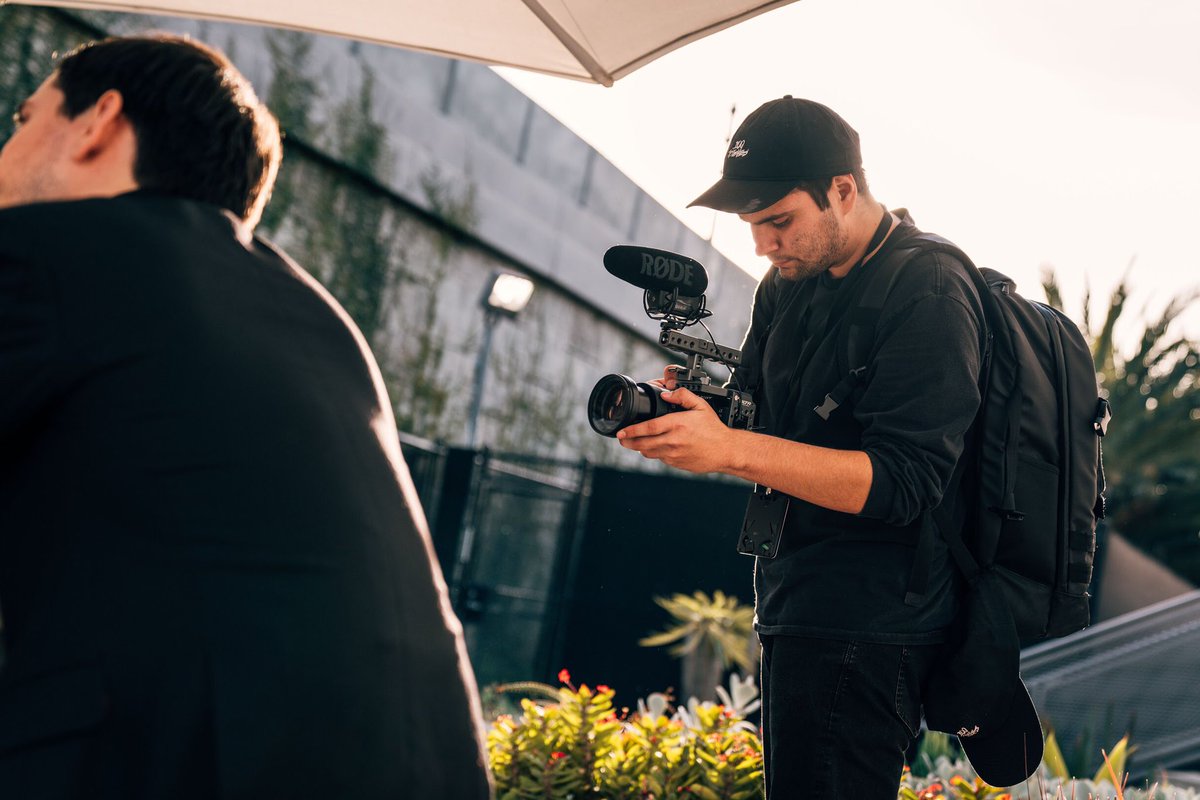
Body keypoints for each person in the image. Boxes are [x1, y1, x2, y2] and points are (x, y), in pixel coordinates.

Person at [0, 35, 491, 799]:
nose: (8, 146)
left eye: (23, 117)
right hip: (428, 760)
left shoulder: (42, 254)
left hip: (182, 759)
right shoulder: (317, 315)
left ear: (97, 121)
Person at [616, 96, 986, 798]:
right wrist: (699, 414)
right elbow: (760, 417)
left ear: (842, 190)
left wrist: (727, 451)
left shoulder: (929, 287)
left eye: (779, 221)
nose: (763, 244)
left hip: (870, 619)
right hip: (794, 595)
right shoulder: (787, 286)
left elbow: (904, 482)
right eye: (752, 226)